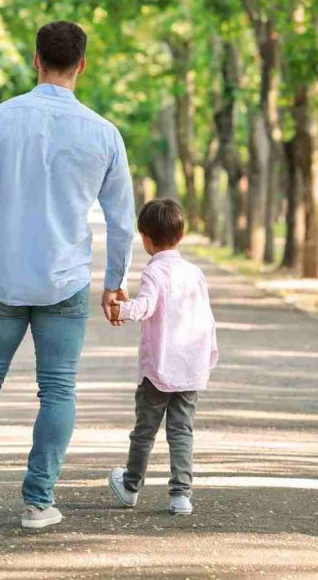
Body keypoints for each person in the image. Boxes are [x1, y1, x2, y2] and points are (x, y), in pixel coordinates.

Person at [0, 21, 135, 532]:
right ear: (82, 65)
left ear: (35, 60)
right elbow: (121, 220)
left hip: (2, 276)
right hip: (64, 280)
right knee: (58, 389)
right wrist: (115, 282)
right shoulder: (104, 133)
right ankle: (37, 501)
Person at [106, 198, 218, 516]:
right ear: (180, 235)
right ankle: (181, 495)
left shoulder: (154, 271)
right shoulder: (194, 273)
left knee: (144, 431)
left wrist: (121, 309)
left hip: (158, 369)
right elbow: (207, 318)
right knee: (182, 431)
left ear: (145, 238)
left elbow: (145, 307)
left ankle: (130, 487)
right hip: (189, 369)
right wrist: (208, 355)